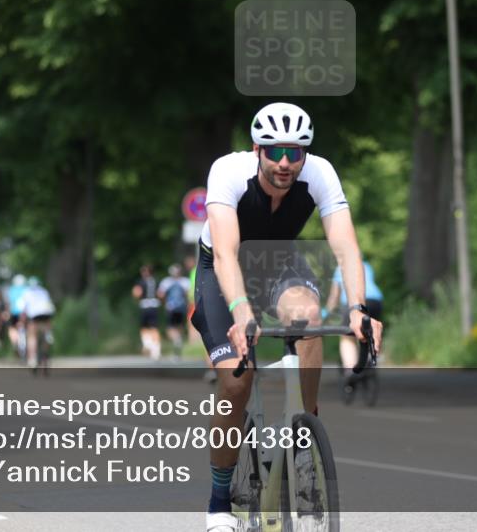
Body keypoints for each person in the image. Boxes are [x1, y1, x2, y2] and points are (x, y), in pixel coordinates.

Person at [189, 102, 382, 532]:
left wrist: (358, 309)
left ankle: (303, 435)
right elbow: (225, 254)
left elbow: (346, 246)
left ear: (304, 155)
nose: (284, 162)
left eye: (294, 153)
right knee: (235, 382)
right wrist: (241, 311)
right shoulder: (227, 172)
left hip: (279, 262)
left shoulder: (320, 174)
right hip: (222, 269)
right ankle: (219, 502)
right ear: (256, 149)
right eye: (274, 151)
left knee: (309, 316)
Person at [326, 259, 384, 372]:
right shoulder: (367, 265)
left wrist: (328, 311)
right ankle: (370, 358)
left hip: (353, 304)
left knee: (347, 337)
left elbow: (334, 296)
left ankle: (351, 370)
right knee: (371, 331)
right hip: (375, 301)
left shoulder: (340, 268)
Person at [158, 264, 191, 359]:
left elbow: (160, 294)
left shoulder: (166, 282)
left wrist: (165, 303)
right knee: (180, 326)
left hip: (171, 307)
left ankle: (176, 340)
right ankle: (178, 341)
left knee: (170, 328)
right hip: (182, 307)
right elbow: (188, 294)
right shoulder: (185, 281)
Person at [21, 277, 55, 368]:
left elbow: (24, 310)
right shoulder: (44, 291)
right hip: (46, 314)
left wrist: (22, 321)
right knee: (47, 331)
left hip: (35, 315)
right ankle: (47, 341)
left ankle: (32, 359)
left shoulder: (27, 292)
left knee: (32, 336)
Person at [132, 264, 162, 360]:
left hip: (144, 305)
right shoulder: (156, 281)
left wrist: (135, 297)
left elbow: (137, 293)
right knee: (154, 327)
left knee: (144, 327)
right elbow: (160, 294)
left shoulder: (141, 282)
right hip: (154, 305)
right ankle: (156, 350)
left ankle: (147, 344)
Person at [6, 274, 27, 360]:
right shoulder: (26, 289)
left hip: (14, 313)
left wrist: (7, 312)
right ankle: (24, 346)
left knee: (12, 329)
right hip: (25, 313)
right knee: (24, 329)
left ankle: (15, 342)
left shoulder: (11, 290)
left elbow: (9, 303)